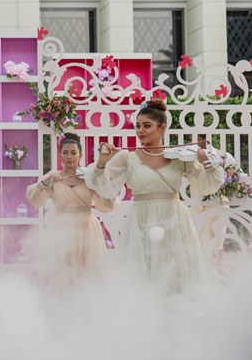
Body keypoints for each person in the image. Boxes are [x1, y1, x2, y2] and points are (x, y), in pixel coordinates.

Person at [85, 99, 224, 293]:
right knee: (141, 275)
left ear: (162, 128)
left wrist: (208, 165)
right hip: (141, 222)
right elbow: (103, 187)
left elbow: (206, 186)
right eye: (138, 126)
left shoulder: (179, 156)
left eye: (147, 126)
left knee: (176, 273)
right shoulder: (127, 157)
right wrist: (102, 163)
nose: (140, 131)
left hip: (174, 221)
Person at [25, 133, 115, 279]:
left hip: (86, 227)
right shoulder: (53, 177)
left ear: (80, 155)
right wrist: (46, 182)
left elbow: (105, 203)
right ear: (60, 156)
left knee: (87, 269)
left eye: (73, 153)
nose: (69, 157)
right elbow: (35, 201)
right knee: (61, 268)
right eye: (65, 153)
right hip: (61, 226)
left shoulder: (88, 177)